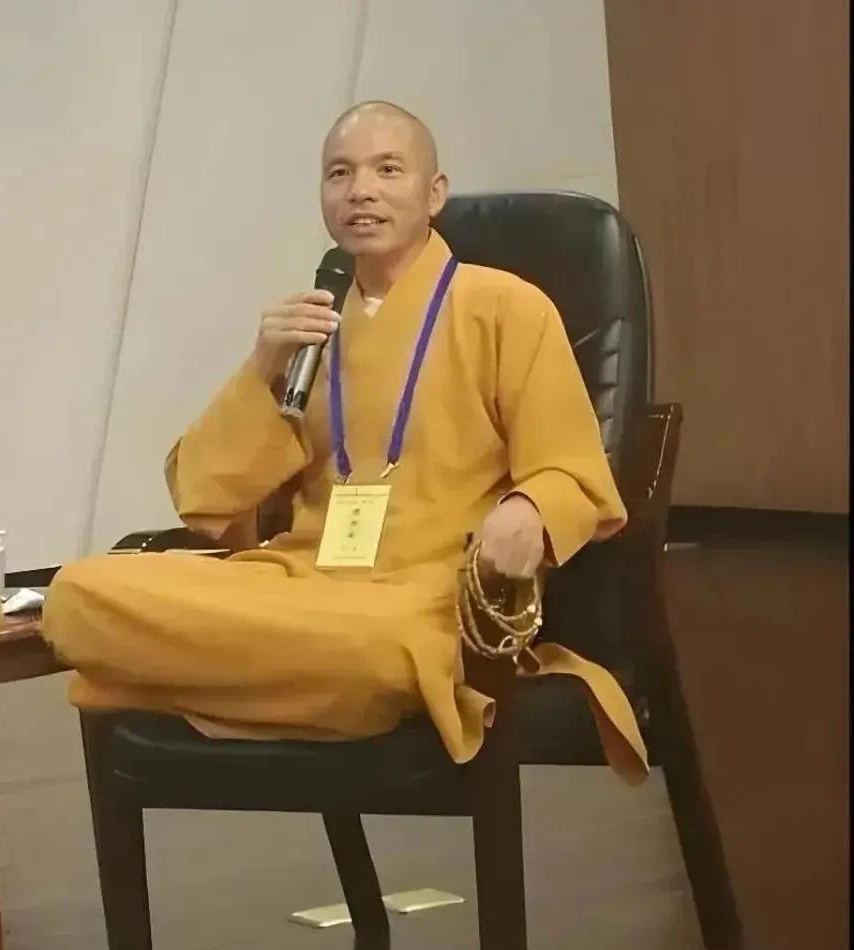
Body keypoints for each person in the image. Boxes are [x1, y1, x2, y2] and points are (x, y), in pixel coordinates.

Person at [42, 101, 647, 784]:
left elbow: (571, 471)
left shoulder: (507, 306)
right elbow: (205, 496)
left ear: (434, 194)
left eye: (387, 170)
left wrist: (528, 511)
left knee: (384, 648)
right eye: (340, 174)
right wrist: (264, 367)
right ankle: (305, 690)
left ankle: (202, 679)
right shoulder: (311, 328)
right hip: (303, 579)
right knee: (77, 594)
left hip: (424, 589)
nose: (361, 191)